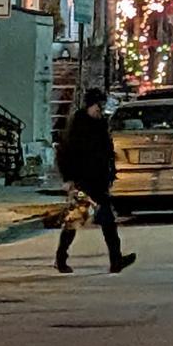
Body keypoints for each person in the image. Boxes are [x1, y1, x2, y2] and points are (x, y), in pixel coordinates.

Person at [55, 87, 135, 274]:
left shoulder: (101, 125)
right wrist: (69, 179)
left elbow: (107, 152)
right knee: (75, 220)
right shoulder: (78, 126)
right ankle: (61, 257)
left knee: (108, 222)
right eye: (98, 106)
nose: (100, 109)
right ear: (90, 106)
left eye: (101, 106)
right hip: (83, 182)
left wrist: (111, 173)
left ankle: (116, 260)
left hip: (99, 181)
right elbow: (65, 154)